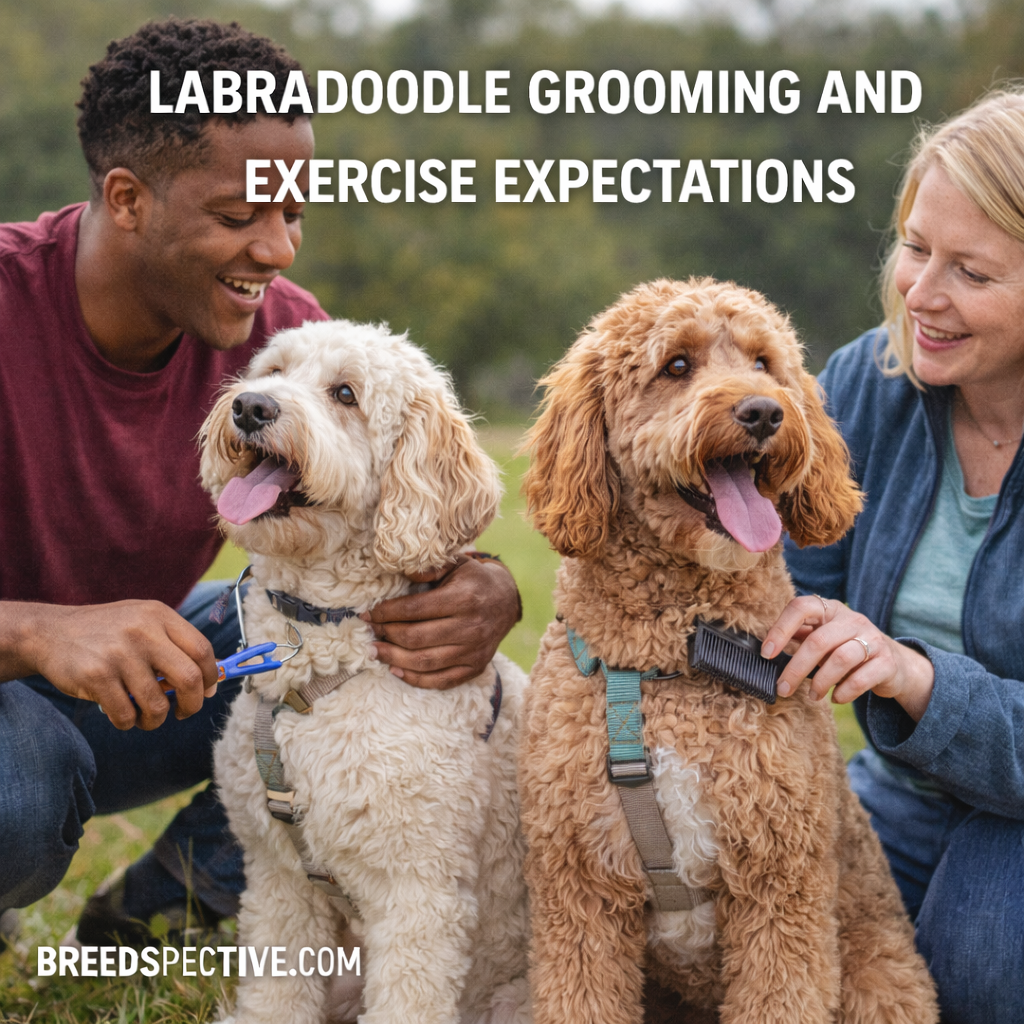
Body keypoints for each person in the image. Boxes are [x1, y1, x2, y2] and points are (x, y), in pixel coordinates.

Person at [0, 18, 520, 947]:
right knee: (19, 784)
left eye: (295, 214)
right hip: (24, 686)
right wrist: (37, 628)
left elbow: (382, 514)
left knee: (333, 639)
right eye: (241, 218)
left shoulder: (285, 339)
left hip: (129, 681)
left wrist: (482, 584)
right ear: (127, 199)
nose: (279, 250)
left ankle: (179, 895)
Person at [764, 88, 1024, 1023]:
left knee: (980, 969)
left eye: (972, 272)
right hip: (900, 785)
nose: (921, 294)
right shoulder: (866, 385)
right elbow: (782, 593)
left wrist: (916, 678)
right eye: (916, 247)